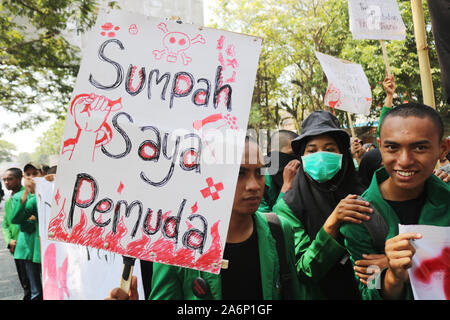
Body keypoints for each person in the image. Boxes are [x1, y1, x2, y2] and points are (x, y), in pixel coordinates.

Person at [106, 136, 308, 300]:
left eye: (259, 173)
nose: (254, 185)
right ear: (214, 178)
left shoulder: (280, 230)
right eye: (240, 173)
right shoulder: (177, 243)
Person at [340, 103, 450, 300]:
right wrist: (394, 274)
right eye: (393, 147)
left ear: (442, 149)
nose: (405, 160)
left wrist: (417, 262)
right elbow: (371, 291)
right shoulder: (360, 217)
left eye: (420, 147)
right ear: (380, 147)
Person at [272, 110, 379, 299]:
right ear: (302, 157)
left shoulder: (367, 196)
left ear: (342, 155)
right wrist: (333, 223)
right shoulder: (288, 208)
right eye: (312, 150)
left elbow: (375, 258)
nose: (320, 156)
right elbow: (305, 271)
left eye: (329, 149)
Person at [10, 162, 44, 300]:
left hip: (45, 248)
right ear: (24, 177)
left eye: (35, 173)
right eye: (28, 174)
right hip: (28, 249)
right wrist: (25, 194)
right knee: (34, 289)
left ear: (42, 174)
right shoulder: (20, 197)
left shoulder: (48, 193)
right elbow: (20, 224)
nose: (32, 177)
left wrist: (34, 219)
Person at [1, 168, 31, 300]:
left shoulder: (29, 196)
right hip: (15, 247)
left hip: (28, 245)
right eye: (4, 180)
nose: (6, 182)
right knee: (24, 281)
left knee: (34, 282)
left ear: (20, 179)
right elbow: (5, 224)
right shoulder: (8, 201)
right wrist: (9, 240)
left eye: (10, 179)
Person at [258, 130, 300, 212]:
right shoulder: (259, 181)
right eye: (291, 155)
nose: (297, 161)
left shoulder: (302, 176)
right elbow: (266, 222)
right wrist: (286, 186)